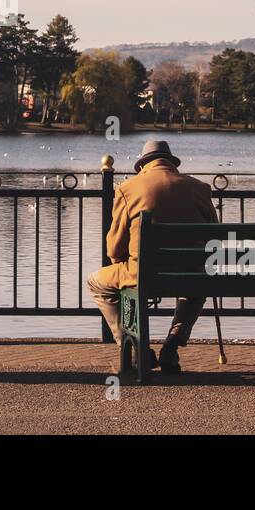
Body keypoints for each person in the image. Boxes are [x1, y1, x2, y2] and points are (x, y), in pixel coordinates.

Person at [86, 139, 218, 372]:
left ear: (142, 166)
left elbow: (114, 250)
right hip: (188, 272)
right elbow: (214, 241)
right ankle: (173, 344)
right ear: (172, 163)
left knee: (96, 282)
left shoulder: (128, 189)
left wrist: (123, 264)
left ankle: (137, 347)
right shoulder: (200, 188)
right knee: (197, 285)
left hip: (142, 272)